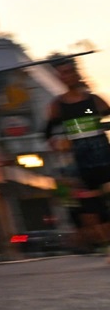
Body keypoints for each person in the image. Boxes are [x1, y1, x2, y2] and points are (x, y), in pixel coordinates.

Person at [45, 58, 110, 259]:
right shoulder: (57, 105)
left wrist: (97, 128)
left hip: (104, 157)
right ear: (59, 78)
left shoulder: (94, 100)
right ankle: (107, 247)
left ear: (77, 74)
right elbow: (48, 133)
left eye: (70, 72)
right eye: (63, 73)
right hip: (81, 163)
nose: (67, 76)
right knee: (92, 211)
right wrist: (58, 143)